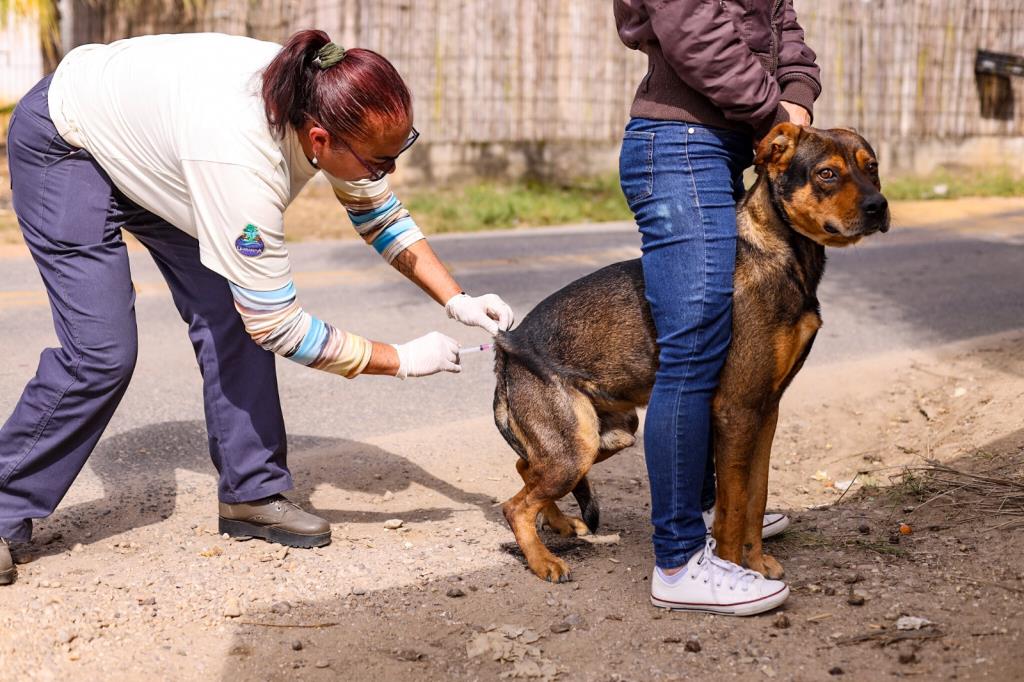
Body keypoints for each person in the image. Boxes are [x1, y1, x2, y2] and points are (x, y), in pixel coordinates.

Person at [0, 30, 514, 586]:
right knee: (101, 353)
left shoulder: (321, 94)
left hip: (161, 150)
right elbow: (278, 325)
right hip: (68, 142)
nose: (387, 173)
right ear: (319, 139)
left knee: (231, 310)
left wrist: (457, 299)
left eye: (397, 152)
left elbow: (379, 215)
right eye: (379, 162)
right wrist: (401, 360)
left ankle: (251, 492)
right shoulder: (242, 163)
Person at [614, 0, 820, 614]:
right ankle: (679, 563)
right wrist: (772, 113)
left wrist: (798, 98)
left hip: (726, 143)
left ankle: (712, 511)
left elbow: (782, 22)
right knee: (694, 349)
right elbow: (691, 27)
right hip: (681, 144)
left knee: (725, 351)